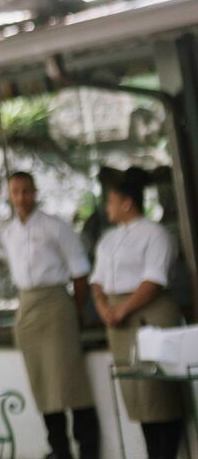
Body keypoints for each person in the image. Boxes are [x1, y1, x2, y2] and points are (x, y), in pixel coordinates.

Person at [1, 171, 99, 459]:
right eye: (15, 191)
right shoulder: (8, 233)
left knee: (71, 382)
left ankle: (88, 449)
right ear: (10, 194)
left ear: (35, 192)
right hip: (27, 309)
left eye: (26, 191)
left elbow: (80, 272)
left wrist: (77, 309)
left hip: (56, 305)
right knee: (42, 383)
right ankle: (59, 450)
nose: (20, 197)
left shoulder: (56, 227)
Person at [92, 166, 187, 459]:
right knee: (137, 396)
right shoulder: (108, 239)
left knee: (158, 394)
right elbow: (97, 281)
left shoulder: (155, 234)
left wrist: (123, 309)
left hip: (148, 314)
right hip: (118, 321)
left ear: (126, 202)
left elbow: (154, 280)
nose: (107, 207)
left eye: (110, 201)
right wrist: (105, 308)